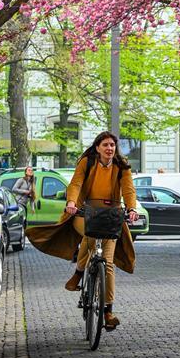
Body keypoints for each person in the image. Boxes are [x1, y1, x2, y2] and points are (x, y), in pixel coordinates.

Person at [26, 131, 138, 331]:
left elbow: (128, 190)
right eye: (105, 145)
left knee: (108, 263)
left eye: (112, 145)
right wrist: (70, 202)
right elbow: (76, 183)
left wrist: (131, 208)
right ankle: (79, 273)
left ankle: (108, 311)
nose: (109, 148)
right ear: (97, 147)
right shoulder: (87, 162)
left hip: (111, 215)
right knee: (89, 234)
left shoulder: (122, 166)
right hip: (84, 211)